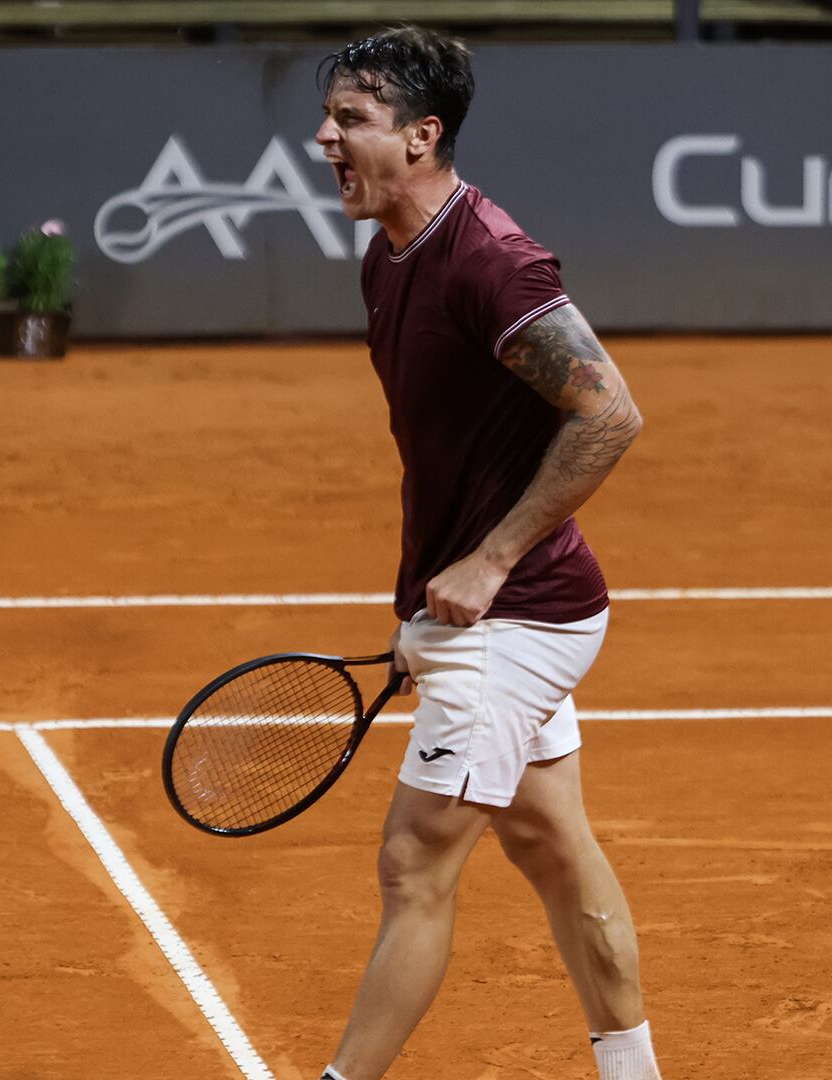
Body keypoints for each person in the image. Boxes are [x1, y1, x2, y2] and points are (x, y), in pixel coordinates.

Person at [311, 26, 661, 1080]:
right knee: (551, 844)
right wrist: (423, 597)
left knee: (415, 861)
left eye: (352, 120)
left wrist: (489, 564)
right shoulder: (388, 258)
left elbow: (610, 412)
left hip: (525, 612)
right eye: (328, 116)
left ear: (422, 137)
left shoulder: (491, 263)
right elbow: (446, 460)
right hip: (482, 610)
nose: (324, 136)